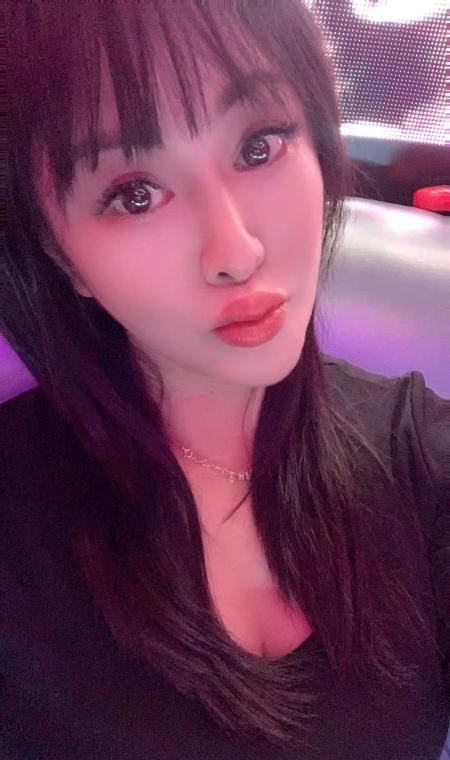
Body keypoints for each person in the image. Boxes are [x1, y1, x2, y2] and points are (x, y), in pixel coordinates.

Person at [2, 2, 449, 758]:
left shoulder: (421, 456)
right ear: (58, 252)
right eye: (136, 194)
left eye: (258, 145)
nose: (235, 252)